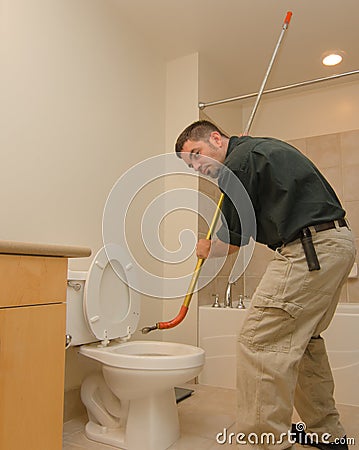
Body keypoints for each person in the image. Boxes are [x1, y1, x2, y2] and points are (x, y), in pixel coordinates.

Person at [175, 120, 356, 450]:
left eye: (198, 155)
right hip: (336, 242)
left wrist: (207, 248)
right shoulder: (255, 149)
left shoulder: (236, 163)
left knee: (257, 342)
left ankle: (265, 442)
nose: (200, 167)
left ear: (216, 138)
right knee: (305, 341)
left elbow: (234, 241)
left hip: (309, 249)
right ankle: (325, 432)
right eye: (193, 165)